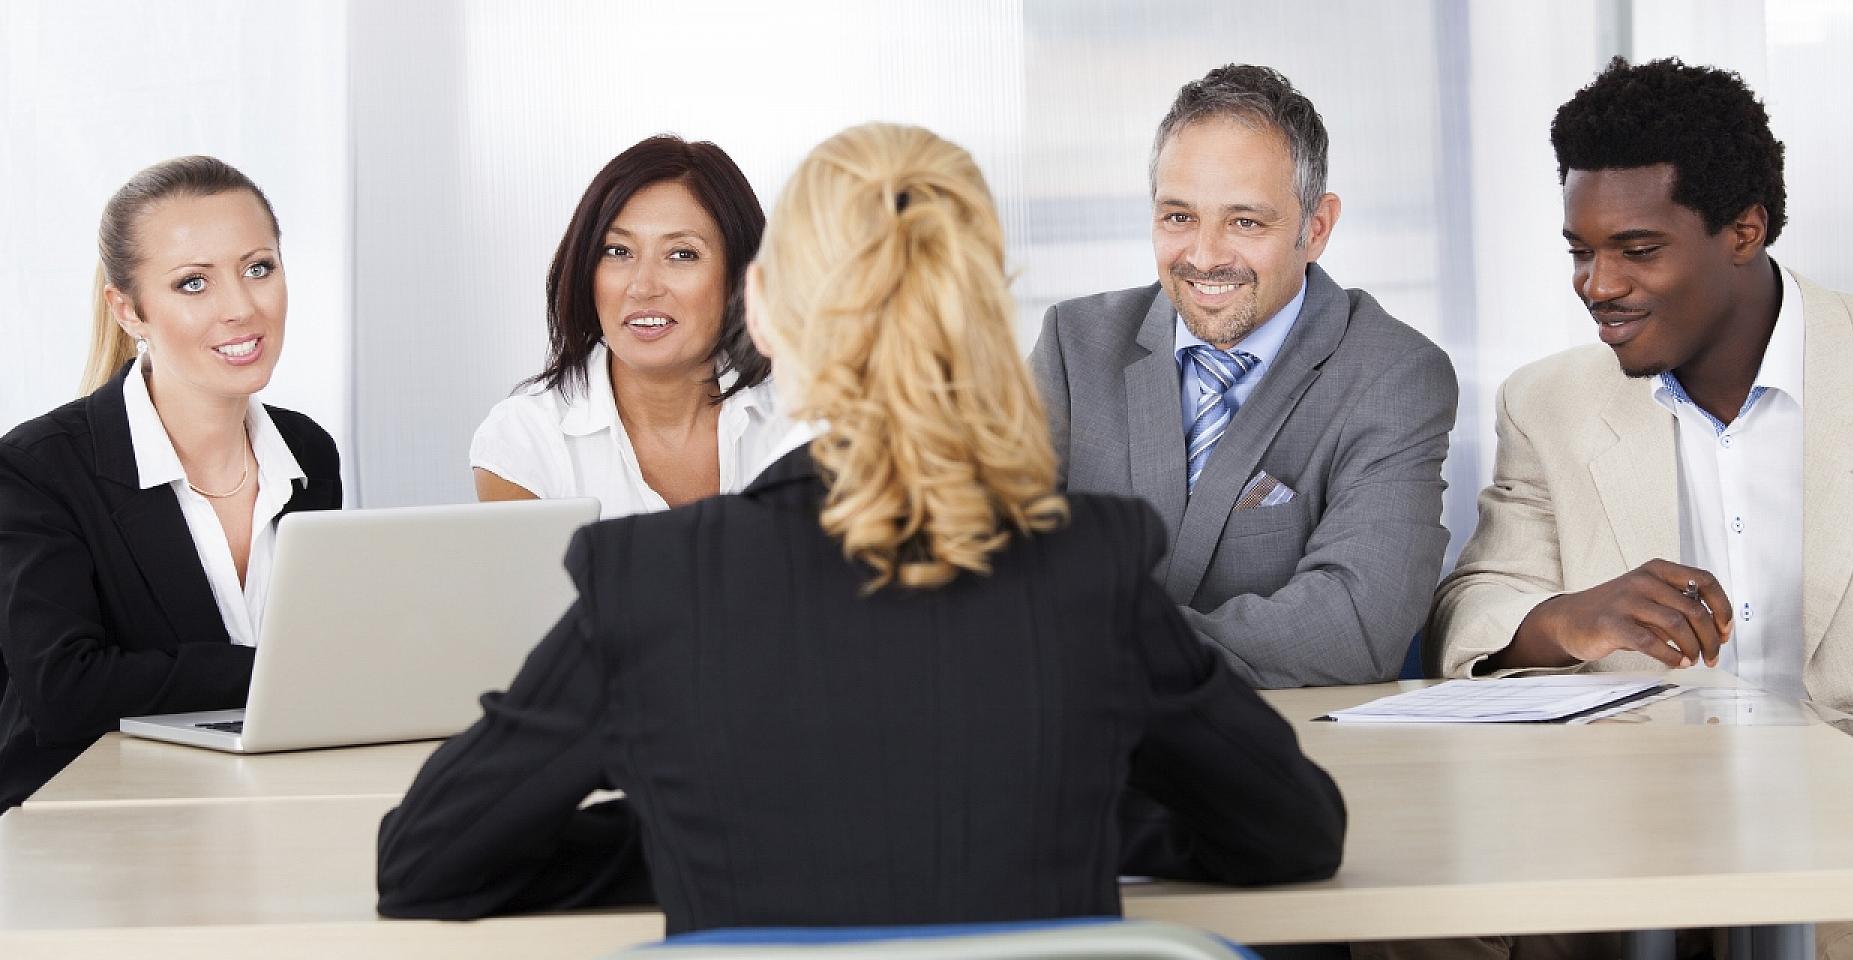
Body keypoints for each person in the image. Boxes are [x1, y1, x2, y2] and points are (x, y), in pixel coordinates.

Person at [376, 123, 1345, 932]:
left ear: (760, 308)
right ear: (979, 312)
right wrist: (1087, 816)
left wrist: (692, 825)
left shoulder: (655, 582)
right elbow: (1291, 832)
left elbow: (427, 862)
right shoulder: (1086, 566)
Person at [1427, 56, 1853, 960]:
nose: (1597, 285)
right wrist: (1565, 619)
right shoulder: (1549, 404)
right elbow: (1478, 606)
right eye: (1581, 251)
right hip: (1646, 839)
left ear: (1743, 231)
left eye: (1638, 250)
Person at [1031, 64, 1458, 689]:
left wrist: (1095, 653)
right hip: (1069, 750)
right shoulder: (1075, 346)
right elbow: (981, 559)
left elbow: (1355, 625)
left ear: (1316, 228)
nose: (1204, 256)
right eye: (1179, 217)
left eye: (1246, 222)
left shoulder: (1393, 376)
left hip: (1281, 750)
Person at [0, 156, 341, 810]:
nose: (242, 307)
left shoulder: (307, 453)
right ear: (128, 309)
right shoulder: (38, 468)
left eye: (258, 268)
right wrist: (276, 673)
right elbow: (66, 690)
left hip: (255, 810)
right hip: (82, 828)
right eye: (193, 284)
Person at [469, 135, 793, 517]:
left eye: (682, 254)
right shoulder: (523, 440)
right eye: (618, 251)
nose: (643, 286)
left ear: (740, 275)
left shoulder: (804, 419)